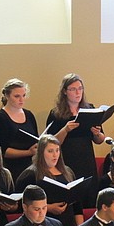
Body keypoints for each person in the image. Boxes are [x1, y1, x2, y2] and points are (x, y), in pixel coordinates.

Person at [45, 73, 105, 206]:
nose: (78, 92)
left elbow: (100, 139)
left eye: (80, 88)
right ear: (65, 91)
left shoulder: (90, 109)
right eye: (73, 89)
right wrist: (65, 130)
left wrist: (97, 134)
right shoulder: (56, 114)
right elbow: (51, 142)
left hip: (86, 158)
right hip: (67, 159)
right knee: (71, 196)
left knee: (89, 195)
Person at [15, 134, 84, 226]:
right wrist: (49, 208)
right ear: (41, 152)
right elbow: (21, 204)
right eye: (50, 151)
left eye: (57, 150)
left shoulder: (67, 172)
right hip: (43, 225)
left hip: (68, 223)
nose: (55, 155)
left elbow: (77, 205)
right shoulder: (31, 174)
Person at [0, 78, 38, 180]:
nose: (21, 100)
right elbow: (3, 150)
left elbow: (35, 139)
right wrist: (28, 152)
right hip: (10, 167)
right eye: (17, 96)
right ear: (7, 96)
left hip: (30, 166)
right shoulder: (0, 118)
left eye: (24, 95)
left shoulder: (29, 115)